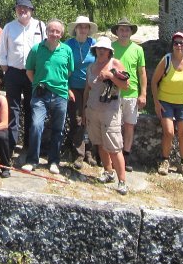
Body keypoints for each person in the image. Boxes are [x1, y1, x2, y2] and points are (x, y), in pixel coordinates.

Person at [22, 19, 76, 174]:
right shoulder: (36, 49)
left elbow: (69, 71)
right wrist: (37, 84)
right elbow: (29, 71)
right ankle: (32, 160)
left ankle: (54, 161)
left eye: (57, 31)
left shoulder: (67, 50)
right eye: (51, 30)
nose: (54, 34)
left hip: (60, 95)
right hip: (40, 94)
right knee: (36, 125)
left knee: (58, 130)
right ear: (46, 32)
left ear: (62, 34)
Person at [82, 36, 131, 195]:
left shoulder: (115, 64)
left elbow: (126, 85)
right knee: (100, 143)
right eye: (99, 48)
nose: (101, 51)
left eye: (104, 49)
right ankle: (108, 172)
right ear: (95, 50)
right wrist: (84, 110)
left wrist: (110, 76)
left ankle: (122, 181)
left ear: (109, 51)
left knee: (114, 147)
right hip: (93, 110)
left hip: (110, 112)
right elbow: (87, 89)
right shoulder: (91, 67)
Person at [0, 0, 45, 153]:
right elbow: (2, 51)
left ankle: (29, 146)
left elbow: (46, 49)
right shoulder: (9, 27)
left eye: (25, 8)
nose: (22, 10)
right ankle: (11, 146)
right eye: (19, 7)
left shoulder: (40, 26)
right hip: (13, 72)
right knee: (13, 109)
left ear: (31, 9)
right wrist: (6, 71)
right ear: (16, 10)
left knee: (32, 108)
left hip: (34, 73)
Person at [151, 31, 183, 178]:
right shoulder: (166, 60)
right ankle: (165, 161)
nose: (179, 46)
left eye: (182, 43)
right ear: (172, 45)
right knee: (169, 132)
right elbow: (154, 81)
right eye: (176, 43)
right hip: (165, 102)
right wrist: (156, 103)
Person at [110, 18, 147, 171]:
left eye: (127, 30)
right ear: (117, 32)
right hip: (114, 92)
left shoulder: (138, 49)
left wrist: (143, 93)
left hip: (131, 93)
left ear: (131, 32)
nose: (124, 32)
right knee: (114, 126)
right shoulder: (111, 48)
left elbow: (142, 73)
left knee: (129, 126)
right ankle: (114, 156)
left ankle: (125, 155)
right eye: (121, 29)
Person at [64, 15, 98, 168]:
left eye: (86, 27)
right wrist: (67, 88)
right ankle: (79, 154)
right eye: (80, 26)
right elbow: (62, 67)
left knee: (91, 119)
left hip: (91, 87)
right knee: (78, 120)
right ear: (75, 29)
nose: (83, 29)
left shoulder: (94, 44)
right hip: (73, 87)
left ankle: (90, 152)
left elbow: (101, 62)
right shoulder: (68, 45)